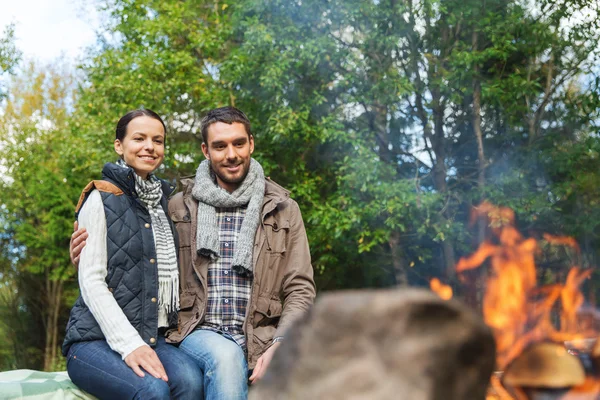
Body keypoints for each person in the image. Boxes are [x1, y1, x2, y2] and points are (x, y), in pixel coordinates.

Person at [71, 106, 316, 399]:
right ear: (205, 150)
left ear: (251, 143)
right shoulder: (177, 206)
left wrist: (282, 341)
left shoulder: (283, 209)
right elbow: (135, 249)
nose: (231, 154)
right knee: (222, 359)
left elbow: (300, 288)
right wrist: (85, 252)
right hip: (194, 331)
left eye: (239, 143)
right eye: (219, 146)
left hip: (260, 334)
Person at [62, 109, 203, 400]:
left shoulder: (165, 202)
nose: (149, 146)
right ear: (119, 145)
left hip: (153, 334)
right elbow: (91, 280)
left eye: (158, 140)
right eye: (139, 138)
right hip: (94, 339)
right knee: (152, 390)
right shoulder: (101, 197)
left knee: (191, 382)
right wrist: (129, 345)